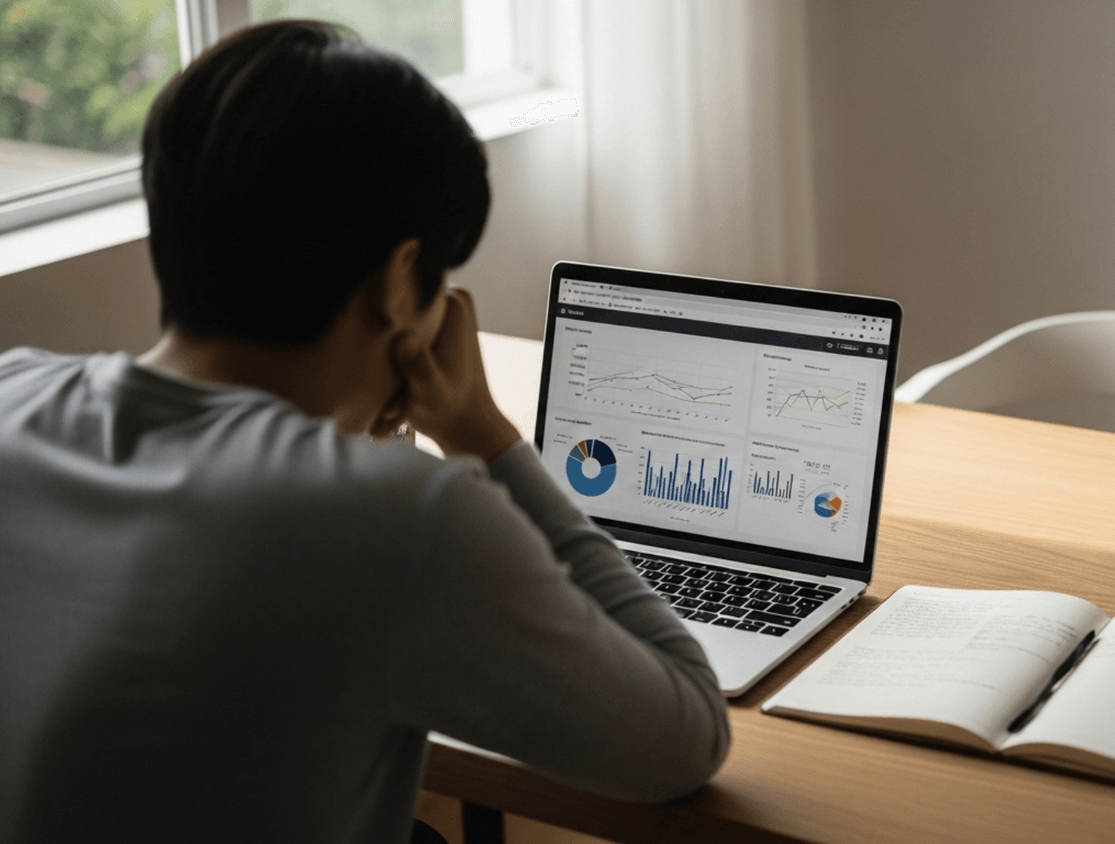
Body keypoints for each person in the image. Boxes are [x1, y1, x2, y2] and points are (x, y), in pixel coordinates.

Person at [0, 19, 728, 844]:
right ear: (397, 282)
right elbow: (688, 736)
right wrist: (482, 434)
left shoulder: (12, 402)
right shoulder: (400, 521)